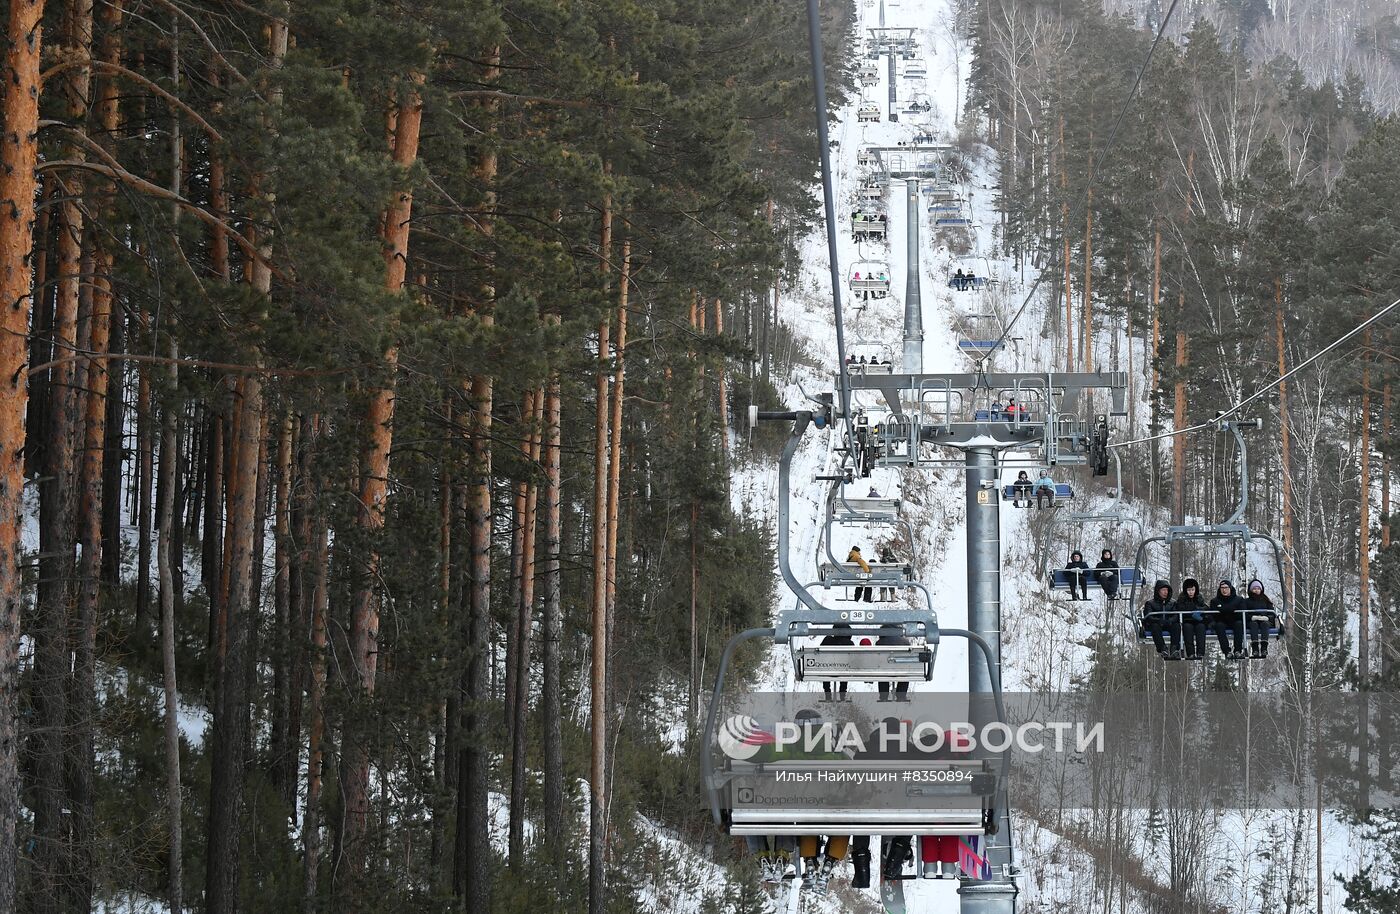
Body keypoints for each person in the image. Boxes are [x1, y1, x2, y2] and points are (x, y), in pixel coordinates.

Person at [1140, 579, 1181, 659]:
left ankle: (1174, 649)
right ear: (1158, 591)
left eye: (1167, 590)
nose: (1166, 592)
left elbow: (1176, 615)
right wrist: (1159, 621)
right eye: (1163, 590)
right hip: (1157, 624)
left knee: (1176, 626)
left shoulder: (1173, 603)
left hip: (1169, 624)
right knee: (1155, 627)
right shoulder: (1150, 603)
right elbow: (1149, 617)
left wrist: (1170, 621)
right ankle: (1163, 648)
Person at [1209, 580, 1246, 659]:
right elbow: (1213, 614)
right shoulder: (1215, 601)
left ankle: (1237, 650)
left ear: (1230, 588)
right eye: (1222, 588)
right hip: (1222, 622)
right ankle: (1226, 651)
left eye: (1226, 588)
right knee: (1219, 626)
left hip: (1235, 621)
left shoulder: (1239, 600)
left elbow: (1242, 613)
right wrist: (1230, 609)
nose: (1224, 590)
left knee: (1239, 624)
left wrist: (1224, 609)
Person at [1242, 579, 1277, 658]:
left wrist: (1267, 617)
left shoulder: (1266, 600)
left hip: (1264, 621)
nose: (1256, 590)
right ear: (1251, 590)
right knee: (1253, 625)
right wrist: (1252, 617)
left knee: (1265, 625)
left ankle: (1264, 648)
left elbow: (1271, 612)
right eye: (1254, 589)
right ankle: (1255, 649)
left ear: (1261, 589)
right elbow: (1244, 613)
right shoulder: (1246, 601)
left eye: (1258, 588)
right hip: (1252, 621)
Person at [1175, 578, 1209, 660]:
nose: (1191, 592)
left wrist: (1200, 610)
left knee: (1201, 628)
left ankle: (1200, 652)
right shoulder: (1181, 599)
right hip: (1187, 620)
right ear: (1185, 590)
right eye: (1189, 590)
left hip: (1198, 621)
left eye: (1193, 590)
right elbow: (1180, 609)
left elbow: (1206, 607)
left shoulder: (1199, 598)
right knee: (1187, 629)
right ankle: (1191, 653)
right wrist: (1193, 611)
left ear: (1195, 590)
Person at [820, 623, 853, 701]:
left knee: (825, 668)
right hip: (843, 670)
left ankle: (827, 694)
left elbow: (820, 655)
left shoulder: (827, 640)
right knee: (845, 669)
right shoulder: (849, 644)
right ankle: (842, 696)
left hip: (828, 669)